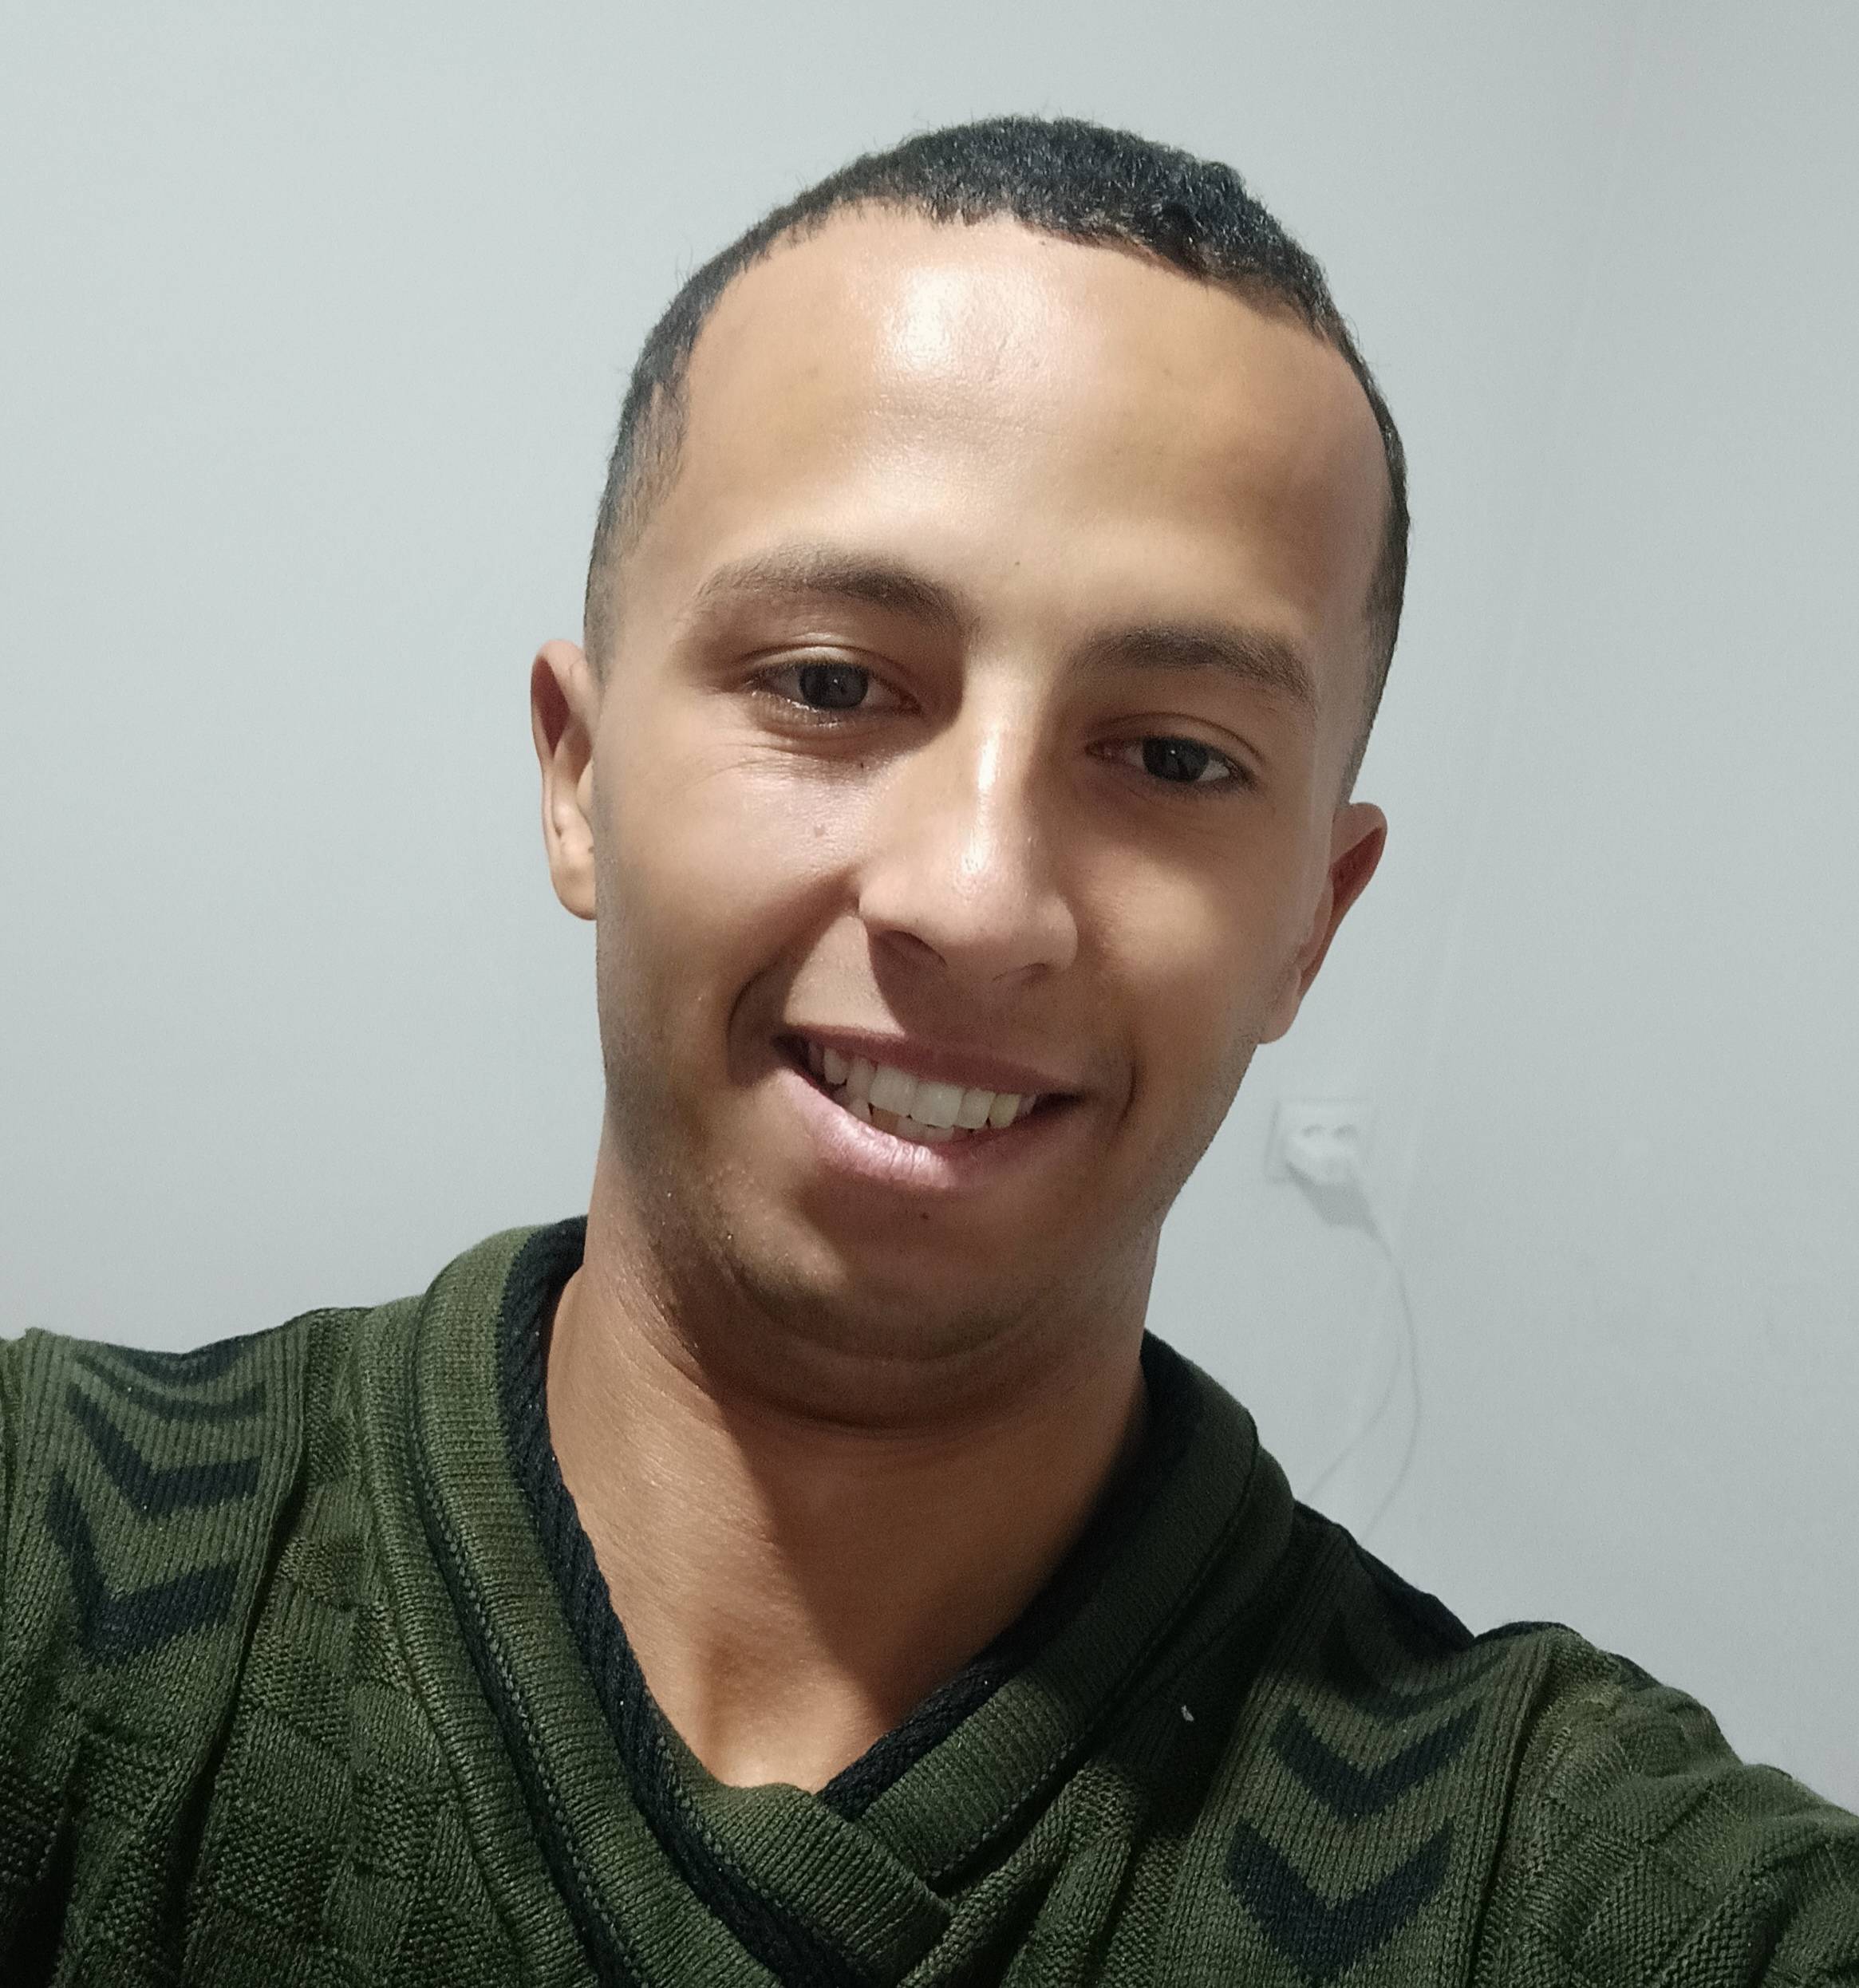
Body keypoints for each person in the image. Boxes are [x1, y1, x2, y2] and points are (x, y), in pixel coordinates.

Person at [1, 113, 1853, 1987]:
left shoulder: (1574, 1889)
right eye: (828, 683)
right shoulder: (52, 1564)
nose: (976, 899)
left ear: (1312, 918)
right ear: (579, 777)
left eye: (1173, 756)